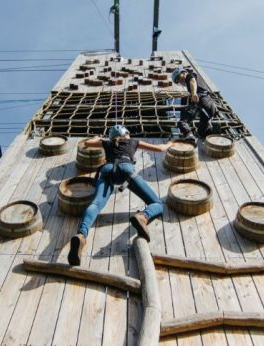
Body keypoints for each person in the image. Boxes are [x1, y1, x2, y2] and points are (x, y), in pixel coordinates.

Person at [67, 125, 172, 266]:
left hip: (107, 170)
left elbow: (87, 143)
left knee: (96, 204)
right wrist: (170, 143)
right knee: (157, 204)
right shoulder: (133, 142)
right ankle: (143, 216)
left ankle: (81, 235)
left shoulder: (107, 142)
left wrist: (96, 138)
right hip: (126, 169)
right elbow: (160, 149)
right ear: (126, 134)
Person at [171, 66, 219, 139]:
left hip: (201, 101)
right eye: (178, 82)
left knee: (182, 122)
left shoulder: (189, 75)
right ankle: (211, 130)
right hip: (210, 105)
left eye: (178, 78)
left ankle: (189, 137)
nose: (180, 81)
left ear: (183, 72)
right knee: (201, 133)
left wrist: (193, 94)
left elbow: (192, 81)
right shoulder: (199, 80)